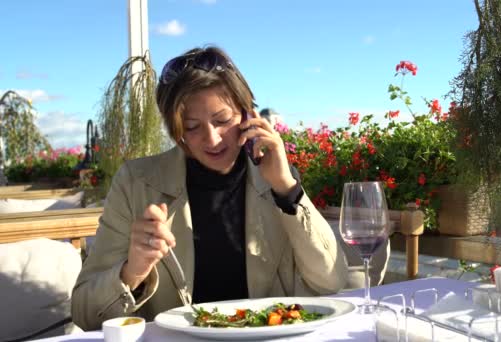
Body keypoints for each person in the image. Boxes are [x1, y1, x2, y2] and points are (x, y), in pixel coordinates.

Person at [71, 45, 348, 330]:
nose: (212, 139)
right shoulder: (136, 182)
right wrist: (133, 272)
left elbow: (332, 281)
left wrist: (287, 189)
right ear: (176, 131)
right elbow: (85, 314)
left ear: (247, 113)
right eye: (192, 127)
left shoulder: (276, 179)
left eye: (222, 120)